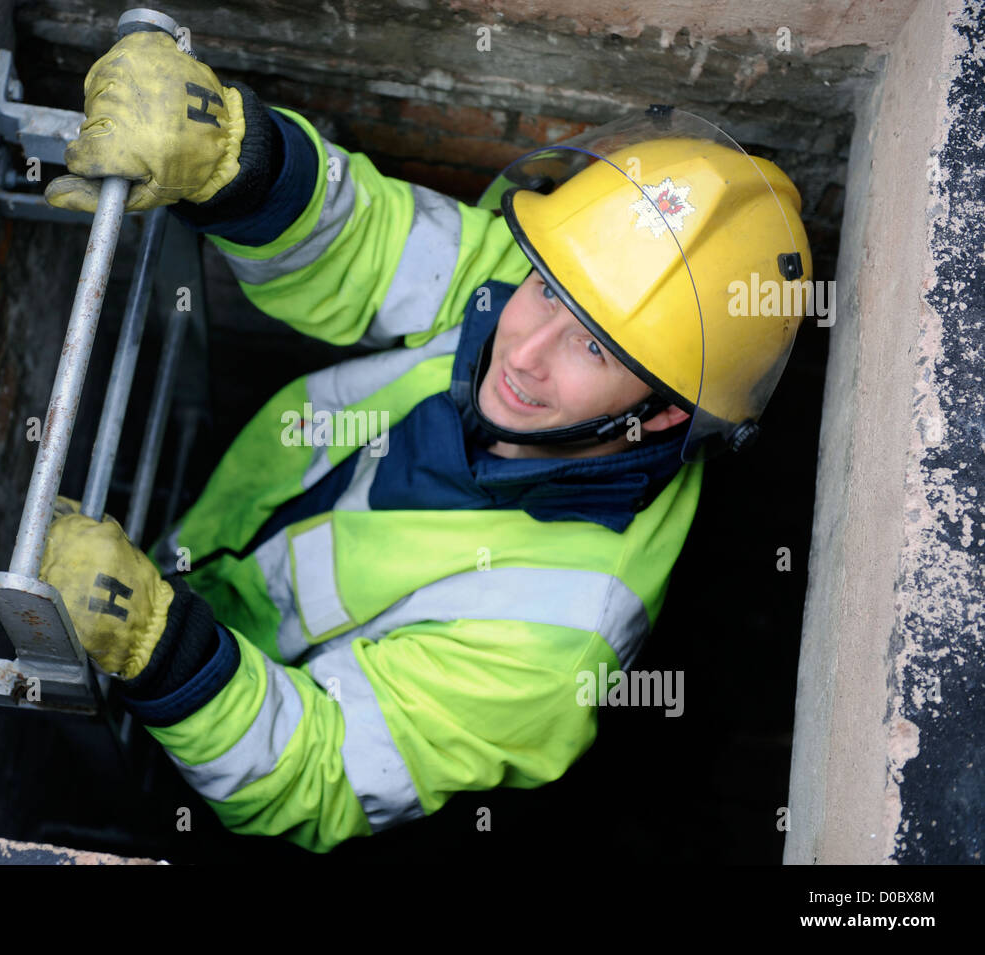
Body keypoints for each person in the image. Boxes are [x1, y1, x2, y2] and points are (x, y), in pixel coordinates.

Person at [39, 29, 812, 853]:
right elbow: (368, 244)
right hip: (204, 547)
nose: (524, 348)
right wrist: (235, 158)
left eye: (595, 347)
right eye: (549, 289)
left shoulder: (552, 649)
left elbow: (315, 773)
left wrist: (159, 651)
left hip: (213, 723)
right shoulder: (515, 288)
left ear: (661, 414)